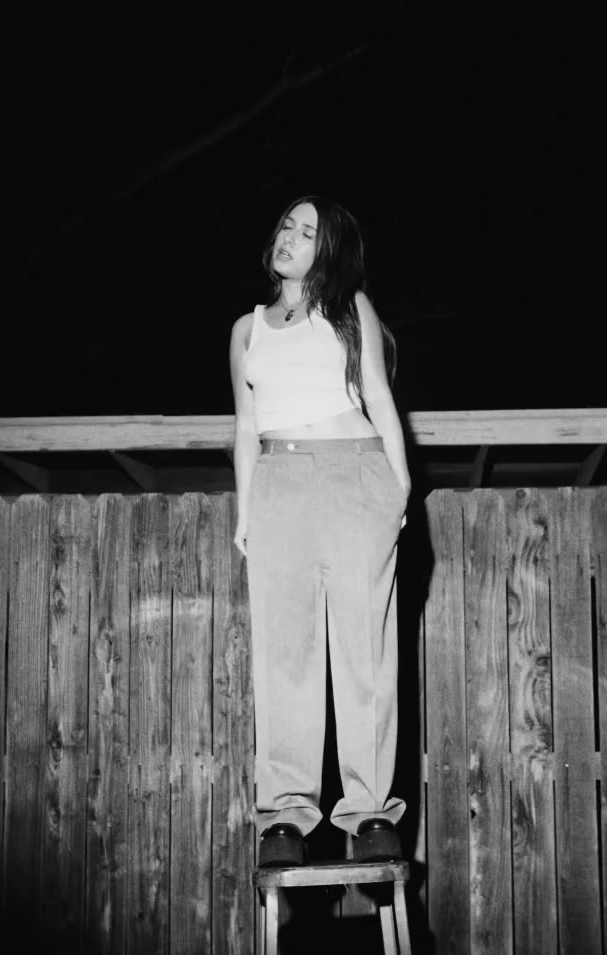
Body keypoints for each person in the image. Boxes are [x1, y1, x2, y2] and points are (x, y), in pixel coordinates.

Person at [228, 196, 409, 868]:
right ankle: (285, 818)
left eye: (308, 234)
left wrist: (400, 486)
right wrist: (247, 512)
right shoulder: (246, 331)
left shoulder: (348, 310)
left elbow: (381, 398)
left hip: (354, 477)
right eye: (285, 226)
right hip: (278, 484)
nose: (290, 238)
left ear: (326, 251)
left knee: (364, 648)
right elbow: (246, 428)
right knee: (285, 656)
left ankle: (367, 816)